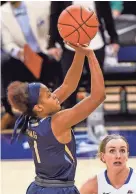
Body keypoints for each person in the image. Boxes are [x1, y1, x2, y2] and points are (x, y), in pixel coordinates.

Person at [7, 42, 105, 194]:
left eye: (51, 91)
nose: (54, 95)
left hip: (37, 188)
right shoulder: (58, 121)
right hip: (58, 190)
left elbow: (68, 85)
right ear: (39, 107)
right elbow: (98, 96)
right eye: (48, 94)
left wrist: (79, 52)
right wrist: (91, 55)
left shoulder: (32, 116)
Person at [49, 1, 119, 143]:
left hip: (96, 44)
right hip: (69, 46)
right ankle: (68, 129)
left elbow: (106, 14)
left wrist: (114, 38)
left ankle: (97, 126)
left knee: (96, 87)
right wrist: (51, 44)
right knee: (69, 89)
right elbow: (54, 17)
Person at [1, 1, 63, 129]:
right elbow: (7, 43)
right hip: (22, 56)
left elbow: (53, 24)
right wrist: (19, 52)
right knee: (4, 65)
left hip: (44, 51)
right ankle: (9, 112)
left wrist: (54, 45)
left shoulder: (40, 4)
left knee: (59, 63)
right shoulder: (2, 12)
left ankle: (58, 109)